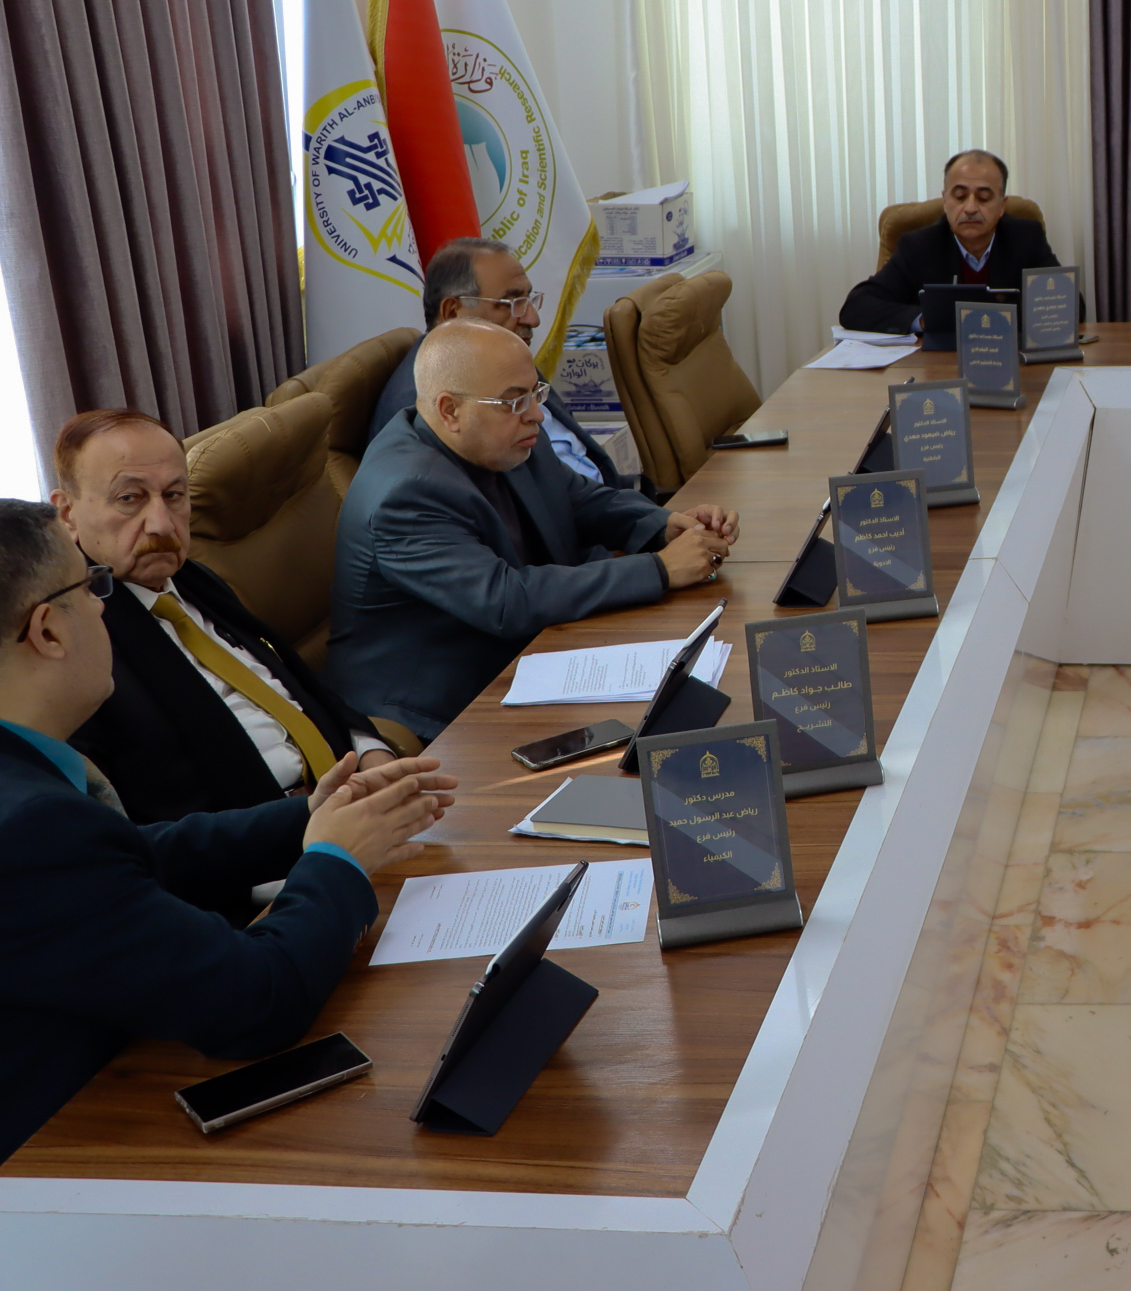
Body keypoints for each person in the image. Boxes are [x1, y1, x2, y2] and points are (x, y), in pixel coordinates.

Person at [0, 498, 454, 1158]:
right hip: (67, 1161)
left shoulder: (30, 803)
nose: (104, 607)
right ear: (47, 631)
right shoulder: (31, 829)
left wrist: (310, 816)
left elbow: (130, 858)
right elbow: (258, 1003)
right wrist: (337, 860)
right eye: (91, 586)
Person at [331, 321, 741, 740]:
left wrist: (664, 526)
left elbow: (580, 499)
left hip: (529, 656)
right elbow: (505, 601)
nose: (537, 414)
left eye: (536, 393)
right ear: (450, 410)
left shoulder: (505, 432)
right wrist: (661, 569)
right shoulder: (406, 494)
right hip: (442, 703)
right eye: (514, 400)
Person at [53, 410, 391, 848]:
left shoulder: (193, 580)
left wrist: (369, 751)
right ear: (67, 514)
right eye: (129, 498)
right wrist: (311, 828)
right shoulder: (72, 642)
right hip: (269, 856)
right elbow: (135, 840)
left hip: (355, 803)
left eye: (174, 495)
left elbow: (294, 683)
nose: (161, 524)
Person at [368, 237, 637, 493]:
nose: (533, 319)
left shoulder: (501, 361)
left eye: (529, 300)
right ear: (453, 312)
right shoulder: (424, 409)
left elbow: (575, 489)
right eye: (512, 303)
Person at [839, 150, 1067, 334]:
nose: (970, 208)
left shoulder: (1026, 238)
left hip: (1010, 359)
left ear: (1001, 206)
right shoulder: (919, 246)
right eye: (959, 196)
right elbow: (857, 306)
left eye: (984, 198)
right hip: (937, 365)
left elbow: (1068, 305)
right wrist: (926, 320)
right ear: (945, 201)